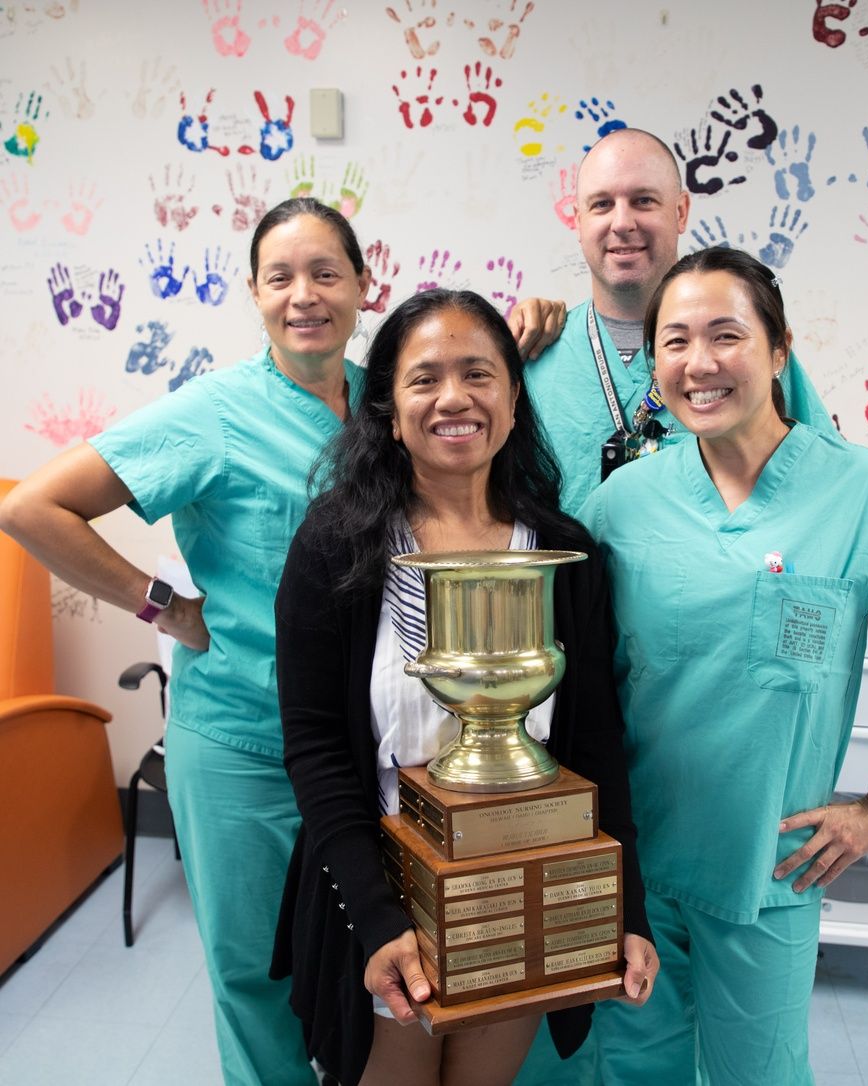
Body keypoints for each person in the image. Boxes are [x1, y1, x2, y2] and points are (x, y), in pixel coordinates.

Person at [0, 198, 566, 1086]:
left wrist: (527, 334)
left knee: (377, 975)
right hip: (248, 748)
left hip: (370, 758)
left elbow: (464, 434)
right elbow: (33, 507)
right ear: (255, 293)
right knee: (257, 979)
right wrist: (161, 606)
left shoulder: (384, 399)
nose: (305, 295)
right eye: (281, 277)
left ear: (364, 285)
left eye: (326, 273)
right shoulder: (212, 412)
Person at [573, 246, 868, 1084]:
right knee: (633, 1072)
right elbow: (586, 679)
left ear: (778, 349)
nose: (699, 363)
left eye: (725, 335)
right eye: (674, 341)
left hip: (771, 869)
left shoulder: (861, 492)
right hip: (632, 871)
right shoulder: (623, 503)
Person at [270, 288, 658, 1086]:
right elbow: (315, 749)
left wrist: (624, 909)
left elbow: (594, 746)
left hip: (516, 896)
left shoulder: (562, 553)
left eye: (479, 374)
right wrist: (378, 920)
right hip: (380, 902)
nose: (454, 398)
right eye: (425, 378)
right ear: (388, 410)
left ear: (514, 398)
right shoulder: (336, 545)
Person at [517, 127, 834, 518]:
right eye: (602, 204)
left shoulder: (746, 352)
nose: (622, 222)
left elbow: (826, 478)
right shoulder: (535, 353)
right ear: (578, 220)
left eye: (643, 200)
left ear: (680, 211)